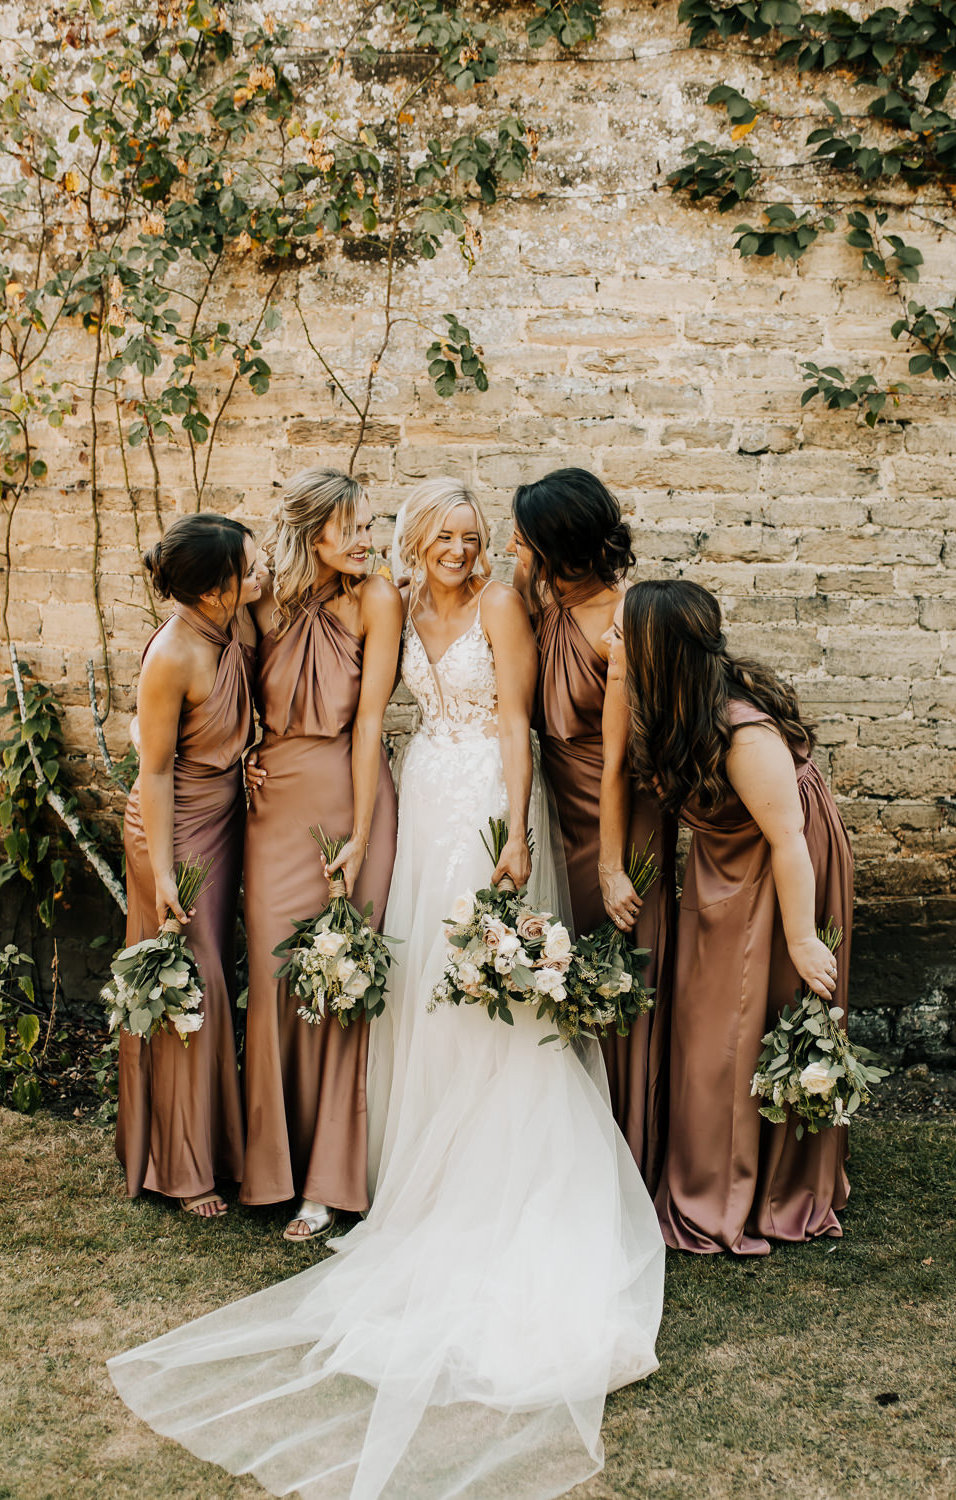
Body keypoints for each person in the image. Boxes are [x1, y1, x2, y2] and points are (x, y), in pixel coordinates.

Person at [108, 478, 665, 1500]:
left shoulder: (499, 602)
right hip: (419, 794)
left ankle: (491, 1170)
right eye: (439, 536)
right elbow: (348, 707)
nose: (457, 548)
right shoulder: (391, 599)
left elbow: (512, 722)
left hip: (484, 801)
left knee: (476, 985)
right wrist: (331, 799)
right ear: (414, 544)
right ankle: (401, 1165)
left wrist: (519, 829)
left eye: (468, 535)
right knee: (412, 982)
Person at [614, 578, 853, 1255]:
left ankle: (741, 1191)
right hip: (730, 864)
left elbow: (789, 840)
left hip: (787, 868)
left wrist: (803, 939)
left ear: (656, 650)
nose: (610, 641)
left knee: (743, 1024)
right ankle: (717, 1172)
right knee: (714, 1024)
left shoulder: (744, 733)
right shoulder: (676, 709)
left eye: (622, 634)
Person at [238, 468, 400, 1240]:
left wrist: (363, 833)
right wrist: (240, 754)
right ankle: (271, 1166)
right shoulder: (262, 600)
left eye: (369, 524)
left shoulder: (377, 599)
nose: (368, 539)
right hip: (272, 809)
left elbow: (369, 725)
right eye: (354, 528)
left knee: (339, 981)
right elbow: (216, 684)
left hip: (346, 792)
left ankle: (325, 1184)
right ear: (311, 532)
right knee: (277, 980)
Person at [508, 467, 676, 1187]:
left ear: (559, 548)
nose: (511, 541)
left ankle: (635, 1150)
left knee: (627, 972)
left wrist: (611, 866)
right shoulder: (543, 601)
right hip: (558, 810)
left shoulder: (624, 618)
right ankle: (577, 1145)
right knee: (571, 975)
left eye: (525, 536)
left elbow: (621, 758)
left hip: (620, 821)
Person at [115, 512, 262, 1219]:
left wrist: (249, 759)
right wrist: (165, 873)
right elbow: (156, 771)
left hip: (223, 816)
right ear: (212, 591)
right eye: (248, 567)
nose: (258, 573)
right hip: (172, 830)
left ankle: (215, 1146)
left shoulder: (227, 624)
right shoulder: (173, 653)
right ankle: (181, 1166)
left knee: (213, 969)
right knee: (188, 983)